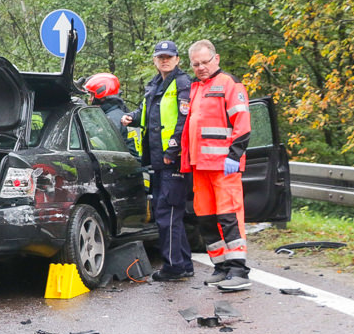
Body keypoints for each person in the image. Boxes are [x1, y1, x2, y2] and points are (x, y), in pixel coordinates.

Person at [181, 39, 252, 291]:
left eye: (204, 62)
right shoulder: (196, 88)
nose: (200, 67)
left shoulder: (229, 84)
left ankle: (239, 270)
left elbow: (242, 123)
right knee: (206, 218)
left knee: (229, 216)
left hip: (223, 165)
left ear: (216, 59)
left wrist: (234, 156)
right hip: (199, 166)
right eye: (195, 64)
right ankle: (221, 266)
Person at [121, 40, 193, 281]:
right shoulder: (154, 84)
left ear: (177, 59)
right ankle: (184, 264)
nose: (165, 60)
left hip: (174, 159)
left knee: (167, 213)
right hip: (157, 161)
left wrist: (172, 151)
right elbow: (148, 114)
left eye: (169, 57)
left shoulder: (182, 83)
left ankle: (174, 267)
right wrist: (131, 117)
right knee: (172, 213)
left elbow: (183, 121)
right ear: (154, 60)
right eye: (160, 57)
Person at [84, 73, 129, 143]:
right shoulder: (113, 112)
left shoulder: (114, 117)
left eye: (92, 95)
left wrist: (84, 117)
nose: (90, 99)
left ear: (101, 97)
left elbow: (105, 142)